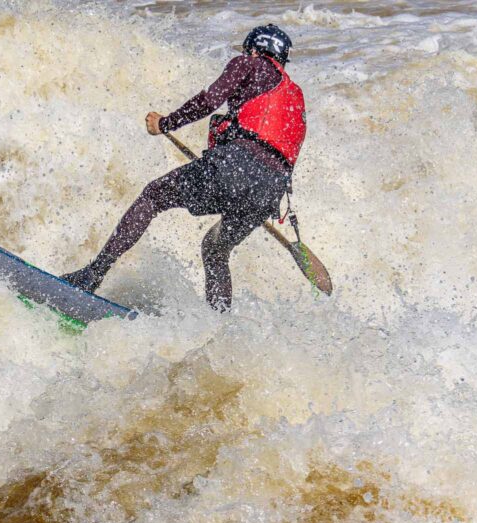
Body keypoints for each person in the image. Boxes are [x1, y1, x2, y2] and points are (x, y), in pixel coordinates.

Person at [63, 24, 307, 311]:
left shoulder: (249, 63)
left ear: (254, 49)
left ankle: (92, 275)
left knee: (153, 196)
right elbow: (274, 154)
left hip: (237, 166)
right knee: (216, 251)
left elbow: (210, 100)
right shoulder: (296, 98)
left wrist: (165, 123)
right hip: (268, 194)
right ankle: (216, 327)